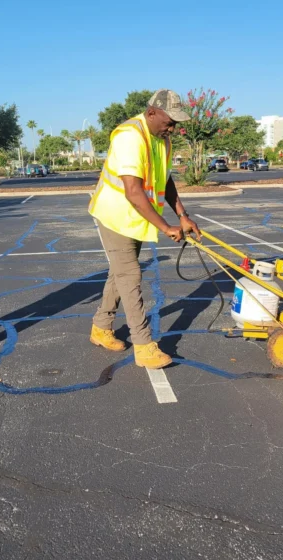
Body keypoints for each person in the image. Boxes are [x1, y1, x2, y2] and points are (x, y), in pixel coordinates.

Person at [88, 89, 201, 369]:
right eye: (169, 121)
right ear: (151, 113)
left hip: (137, 217)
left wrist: (183, 215)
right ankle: (143, 345)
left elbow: (166, 180)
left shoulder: (161, 138)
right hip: (116, 214)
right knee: (130, 274)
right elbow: (133, 192)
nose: (173, 127)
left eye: (176, 123)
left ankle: (101, 327)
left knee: (120, 272)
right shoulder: (130, 136)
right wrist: (165, 227)